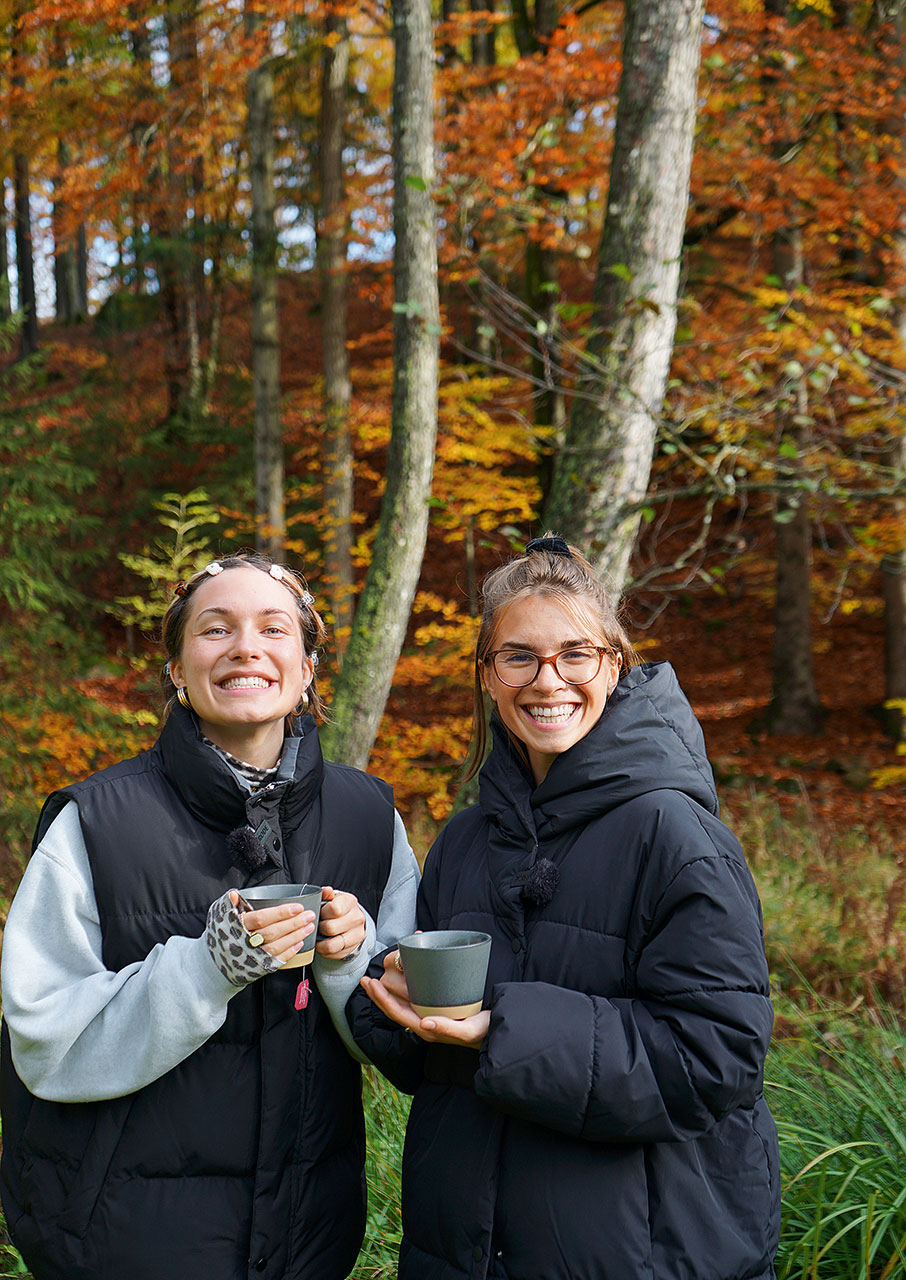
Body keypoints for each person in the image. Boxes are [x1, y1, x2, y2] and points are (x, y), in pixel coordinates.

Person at [352, 535, 780, 1280]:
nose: (547, 681)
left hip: (641, 1249)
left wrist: (503, 1030)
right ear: (487, 675)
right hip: (464, 1252)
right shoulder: (467, 840)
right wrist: (369, 988)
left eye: (574, 654)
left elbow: (717, 1057)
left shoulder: (675, 836)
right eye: (518, 656)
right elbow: (427, 1055)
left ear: (612, 665)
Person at [0, 553, 419, 1280]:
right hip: (124, 1240)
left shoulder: (368, 817)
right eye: (214, 629)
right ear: (176, 668)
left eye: (273, 628)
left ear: (308, 664)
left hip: (309, 1237)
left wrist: (353, 955)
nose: (245, 648)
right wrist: (206, 966)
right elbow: (43, 1040)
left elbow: (403, 1036)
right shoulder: (94, 821)